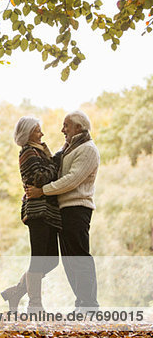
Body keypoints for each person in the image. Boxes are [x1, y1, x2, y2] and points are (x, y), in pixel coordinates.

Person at [26, 110, 100, 311]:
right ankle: (81, 304)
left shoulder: (87, 149)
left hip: (78, 208)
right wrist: (44, 150)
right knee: (69, 261)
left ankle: (89, 305)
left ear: (78, 127)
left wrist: (42, 191)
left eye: (66, 125)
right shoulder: (70, 148)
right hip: (64, 209)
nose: (62, 130)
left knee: (79, 256)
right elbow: (56, 165)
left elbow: (72, 179)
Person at [1, 116, 61, 312]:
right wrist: (55, 163)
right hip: (37, 213)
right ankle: (35, 305)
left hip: (49, 212)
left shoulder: (39, 151)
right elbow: (40, 178)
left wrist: (51, 160)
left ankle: (16, 292)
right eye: (38, 130)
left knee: (52, 260)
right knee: (38, 258)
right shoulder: (28, 152)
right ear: (28, 134)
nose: (42, 134)